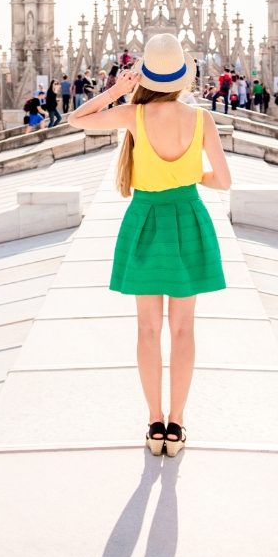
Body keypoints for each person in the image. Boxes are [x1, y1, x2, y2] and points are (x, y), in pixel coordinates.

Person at [69, 32, 230, 457]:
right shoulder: (201, 120)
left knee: (147, 328)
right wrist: (191, 177)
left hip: (145, 223)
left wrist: (119, 90)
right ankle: (177, 426)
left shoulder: (133, 116)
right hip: (188, 221)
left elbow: (77, 119)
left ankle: (154, 422)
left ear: (147, 76)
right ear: (183, 76)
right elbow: (225, 181)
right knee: (183, 329)